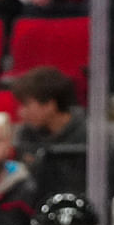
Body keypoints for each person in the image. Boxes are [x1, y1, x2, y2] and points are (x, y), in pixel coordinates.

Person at [9, 65, 89, 197]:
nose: (20, 112)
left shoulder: (87, 134)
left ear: (50, 105)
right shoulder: (25, 134)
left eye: (26, 105)